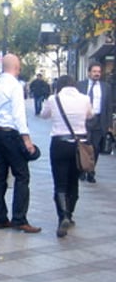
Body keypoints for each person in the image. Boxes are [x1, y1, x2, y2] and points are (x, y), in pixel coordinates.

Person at [0, 53, 41, 233]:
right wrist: (27, 139)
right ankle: (19, 218)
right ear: (16, 68)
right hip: (10, 133)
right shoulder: (15, 86)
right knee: (22, 174)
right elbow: (19, 114)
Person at [40, 75, 93, 238]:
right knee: (74, 181)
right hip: (79, 145)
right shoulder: (84, 98)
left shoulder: (53, 98)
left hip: (59, 143)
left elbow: (44, 115)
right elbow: (90, 115)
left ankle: (62, 215)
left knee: (60, 183)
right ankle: (69, 214)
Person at [77, 62, 113, 183]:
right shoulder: (80, 86)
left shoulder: (106, 87)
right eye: (94, 71)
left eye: (99, 72)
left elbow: (108, 106)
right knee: (83, 146)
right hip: (84, 120)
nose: (97, 74)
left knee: (96, 148)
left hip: (99, 120)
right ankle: (82, 170)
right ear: (89, 73)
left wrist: (109, 125)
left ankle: (91, 171)